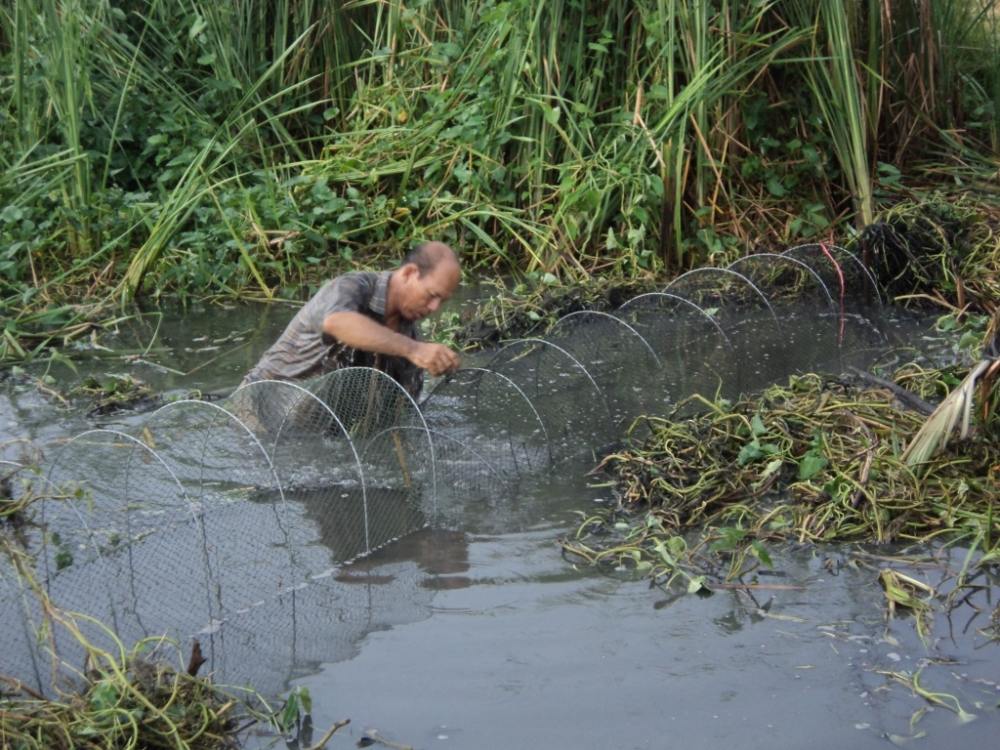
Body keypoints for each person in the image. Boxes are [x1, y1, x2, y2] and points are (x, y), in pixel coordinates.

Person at [241, 241, 461, 398]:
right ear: (409, 273)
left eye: (442, 301)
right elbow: (337, 322)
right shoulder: (352, 287)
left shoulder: (408, 332)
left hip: (317, 429)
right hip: (260, 412)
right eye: (432, 295)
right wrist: (414, 350)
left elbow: (401, 409)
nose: (434, 307)